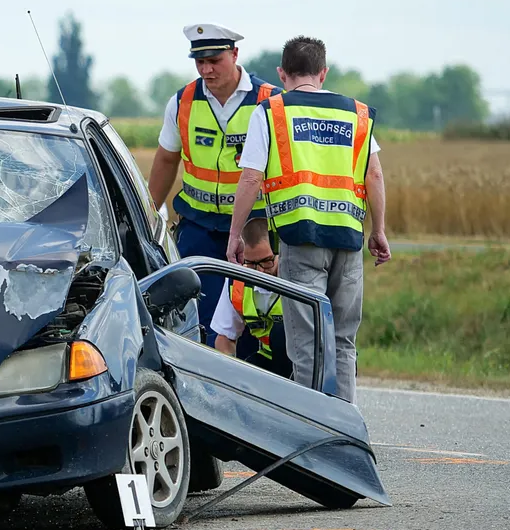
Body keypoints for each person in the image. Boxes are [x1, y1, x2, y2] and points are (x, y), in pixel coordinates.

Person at [227, 35, 391, 404]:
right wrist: (378, 231)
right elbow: (375, 176)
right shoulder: (357, 114)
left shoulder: (271, 111)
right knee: (343, 342)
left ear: (282, 73)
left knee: (307, 344)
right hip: (348, 241)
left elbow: (251, 178)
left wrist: (236, 234)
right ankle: (346, 430)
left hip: (300, 242)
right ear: (323, 72)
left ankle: (314, 435)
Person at [147, 23, 279, 346]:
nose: (206, 69)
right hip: (199, 229)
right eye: (199, 61)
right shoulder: (183, 102)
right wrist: (148, 213)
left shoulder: (270, 101)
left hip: (255, 230)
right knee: (201, 322)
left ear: (234, 54)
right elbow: (166, 159)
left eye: (214, 60)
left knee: (254, 318)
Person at [212, 217, 293, 378]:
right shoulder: (237, 282)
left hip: (299, 362)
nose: (260, 272)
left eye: (267, 261)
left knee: (281, 332)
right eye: (252, 264)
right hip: (267, 360)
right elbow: (224, 339)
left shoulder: (295, 275)